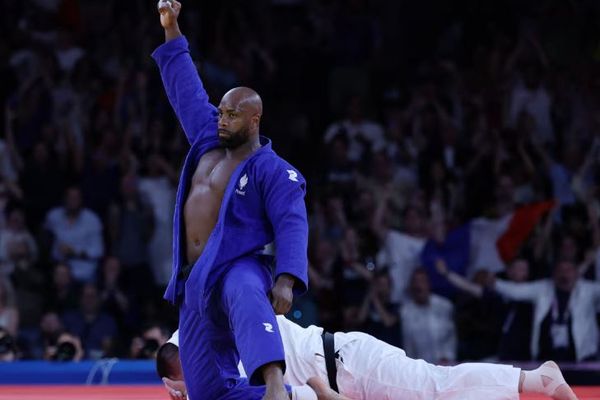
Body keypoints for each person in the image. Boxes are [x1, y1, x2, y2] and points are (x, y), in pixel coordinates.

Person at [153, 2, 315, 399]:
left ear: (254, 120)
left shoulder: (273, 169)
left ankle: (275, 384)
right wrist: (172, 29)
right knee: (210, 394)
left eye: (231, 115)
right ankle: (300, 398)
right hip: (194, 279)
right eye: (221, 112)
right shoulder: (208, 139)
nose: (222, 120)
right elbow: (186, 90)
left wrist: (287, 280)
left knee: (244, 289)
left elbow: (292, 222)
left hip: (237, 266)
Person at [158, 316, 579, 400]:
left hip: (345, 365)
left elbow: (299, 395)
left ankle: (533, 379)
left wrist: (320, 391)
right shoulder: (192, 348)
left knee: (435, 386)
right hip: (337, 375)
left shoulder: (212, 350)